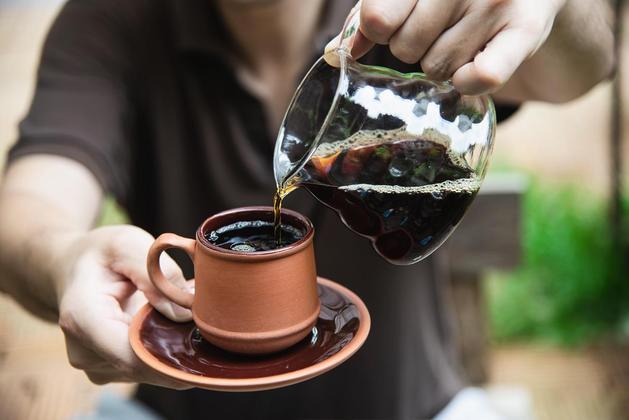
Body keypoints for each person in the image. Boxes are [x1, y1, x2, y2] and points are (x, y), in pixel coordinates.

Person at [0, 0, 613, 418]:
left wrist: (551, 10)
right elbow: (29, 206)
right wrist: (62, 259)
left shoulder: (399, 15)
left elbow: (584, 69)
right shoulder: (112, 21)